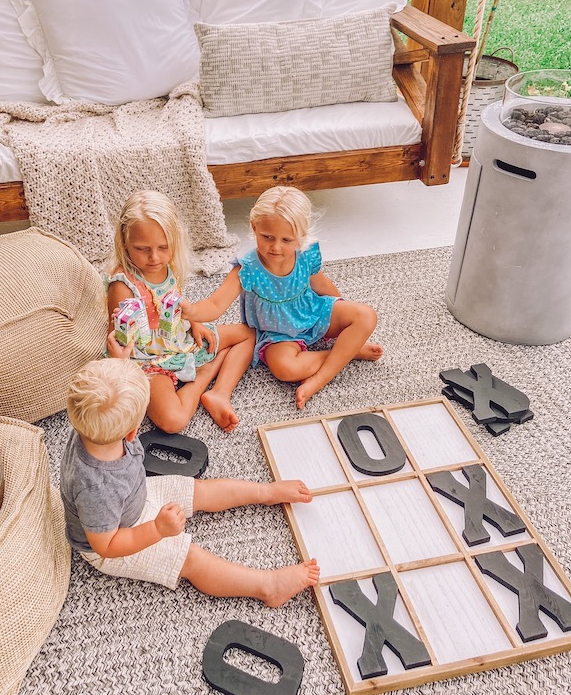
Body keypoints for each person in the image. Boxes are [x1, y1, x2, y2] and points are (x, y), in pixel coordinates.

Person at [61, 357, 320, 606]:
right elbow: (107, 546)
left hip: (135, 495)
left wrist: (121, 363)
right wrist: (157, 530)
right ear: (132, 433)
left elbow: (105, 394)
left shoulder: (90, 419)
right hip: (117, 539)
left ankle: (266, 493)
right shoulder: (96, 489)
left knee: (200, 490)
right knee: (191, 558)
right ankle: (267, 586)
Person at [180, 186, 382, 410]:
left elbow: (321, 284)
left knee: (365, 316)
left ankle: (324, 372)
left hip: (313, 313)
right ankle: (345, 354)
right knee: (286, 369)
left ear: (301, 236)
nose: (276, 247)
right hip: (277, 334)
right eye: (267, 237)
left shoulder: (306, 252)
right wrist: (192, 312)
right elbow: (215, 304)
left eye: (287, 240)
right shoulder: (248, 269)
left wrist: (345, 316)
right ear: (254, 227)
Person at [107, 190, 254, 434]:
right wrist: (121, 364)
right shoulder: (122, 286)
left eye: (163, 247)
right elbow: (117, 340)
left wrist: (194, 322)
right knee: (173, 421)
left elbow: (175, 299)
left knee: (248, 334)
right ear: (124, 242)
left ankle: (219, 393)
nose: (154, 257)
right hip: (150, 359)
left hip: (180, 337)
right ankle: (200, 383)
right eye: (142, 248)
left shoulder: (168, 266)